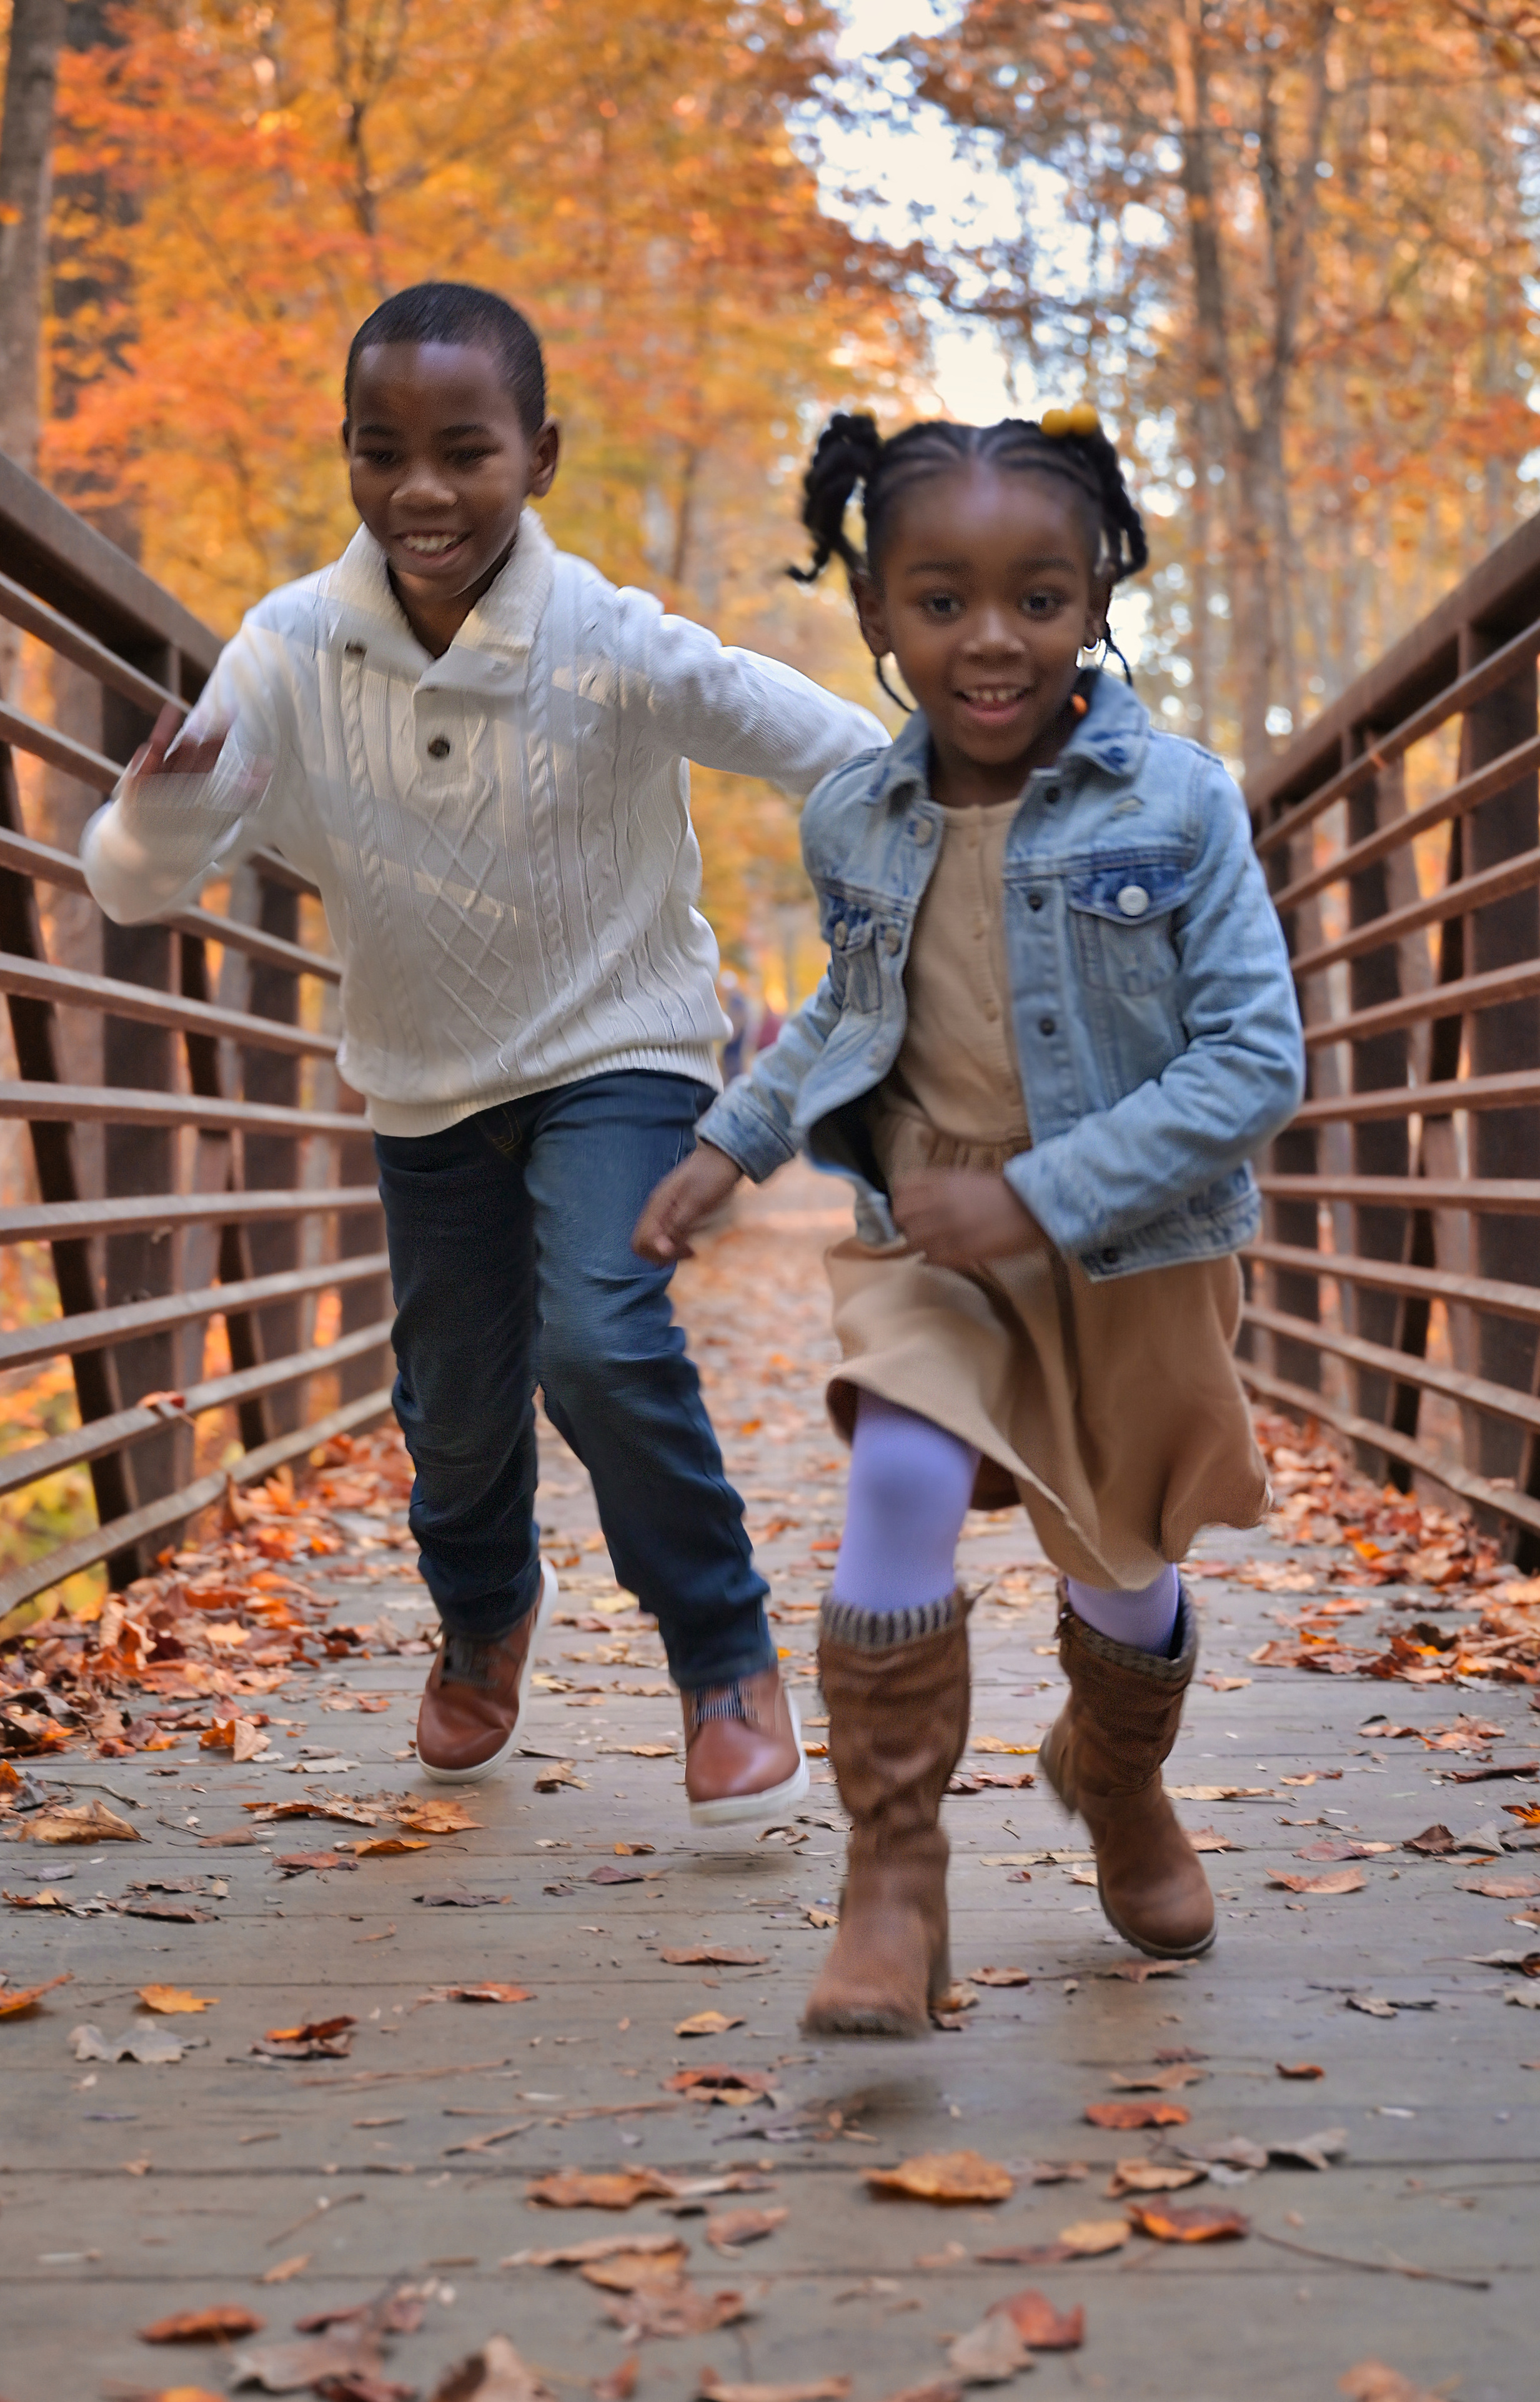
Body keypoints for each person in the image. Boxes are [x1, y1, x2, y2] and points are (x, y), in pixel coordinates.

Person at [81, 282, 888, 1821]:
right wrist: (160, 815)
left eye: (465, 451)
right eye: (381, 452)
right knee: (452, 1407)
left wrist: (972, 790)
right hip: (425, 1081)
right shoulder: (289, 650)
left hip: (620, 1046)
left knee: (599, 1340)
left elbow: (828, 745)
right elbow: (136, 885)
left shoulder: (606, 636)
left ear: (540, 457)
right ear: (345, 454)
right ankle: (485, 1610)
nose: (422, 490)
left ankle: (722, 1652)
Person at [633, 405, 1305, 2030]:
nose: (990, 639)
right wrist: (734, 1141)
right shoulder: (855, 815)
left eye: (1037, 598)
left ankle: (1116, 1778)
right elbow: (846, 1010)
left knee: (1121, 1566)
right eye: (941, 601)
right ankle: (892, 1878)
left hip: (1132, 1242)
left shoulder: (1183, 803)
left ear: (1095, 599)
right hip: (928, 1222)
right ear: (876, 610)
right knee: (898, 1472)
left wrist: (1040, 1194)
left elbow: (1255, 1059)